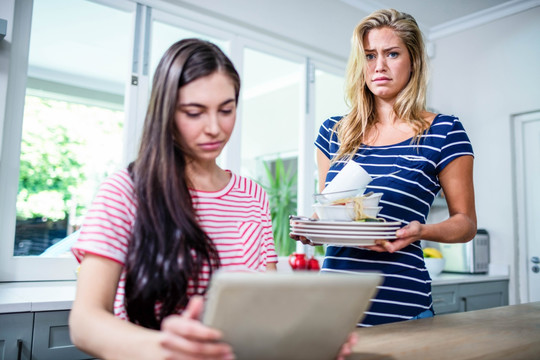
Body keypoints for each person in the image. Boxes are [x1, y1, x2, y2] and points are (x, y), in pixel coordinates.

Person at [69, 38, 356, 360]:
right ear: (166, 112)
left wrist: (303, 338)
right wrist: (169, 350)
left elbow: (268, 303)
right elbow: (85, 322)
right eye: (194, 112)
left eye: (226, 110)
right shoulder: (124, 191)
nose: (215, 128)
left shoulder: (253, 196)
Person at [308, 9, 476, 327]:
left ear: (413, 60)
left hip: (402, 309)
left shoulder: (444, 131)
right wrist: (312, 230)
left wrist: (422, 231)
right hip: (334, 311)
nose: (379, 66)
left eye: (392, 53)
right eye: (369, 56)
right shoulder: (333, 132)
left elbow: (465, 223)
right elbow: (327, 214)